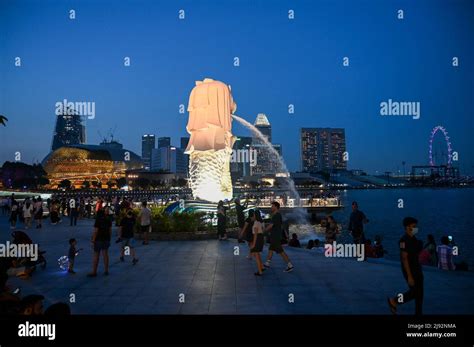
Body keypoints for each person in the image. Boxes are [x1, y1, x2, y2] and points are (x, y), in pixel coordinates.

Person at [387, 217, 424, 315]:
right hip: (410, 270)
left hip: (417, 268)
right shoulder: (403, 241)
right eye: (414, 226)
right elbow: (404, 258)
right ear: (407, 227)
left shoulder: (414, 239)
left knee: (420, 294)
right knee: (414, 292)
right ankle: (394, 301)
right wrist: (409, 276)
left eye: (416, 226)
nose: (416, 228)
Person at [264, 201, 294, 272]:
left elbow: (271, 225)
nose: (271, 207)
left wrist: (263, 231)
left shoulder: (277, 215)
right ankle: (267, 263)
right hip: (274, 236)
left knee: (281, 251)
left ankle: (290, 265)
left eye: (272, 206)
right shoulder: (276, 215)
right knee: (271, 249)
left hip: (275, 237)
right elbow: (280, 226)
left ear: (276, 207)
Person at [88, 209, 112, 277]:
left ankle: (94, 271)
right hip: (106, 239)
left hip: (98, 239)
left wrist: (93, 240)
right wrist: (109, 239)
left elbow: (96, 231)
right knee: (105, 255)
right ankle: (106, 270)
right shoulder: (108, 219)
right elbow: (110, 230)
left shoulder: (98, 220)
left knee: (96, 255)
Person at [250, 209, 265, 276]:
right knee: (258, 254)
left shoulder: (256, 222)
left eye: (253, 214)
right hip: (261, 238)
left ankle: (260, 271)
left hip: (257, 238)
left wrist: (253, 244)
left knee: (256, 256)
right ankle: (262, 267)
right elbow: (263, 231)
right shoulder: (261, 222)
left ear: (255, 215)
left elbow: (255, 234)